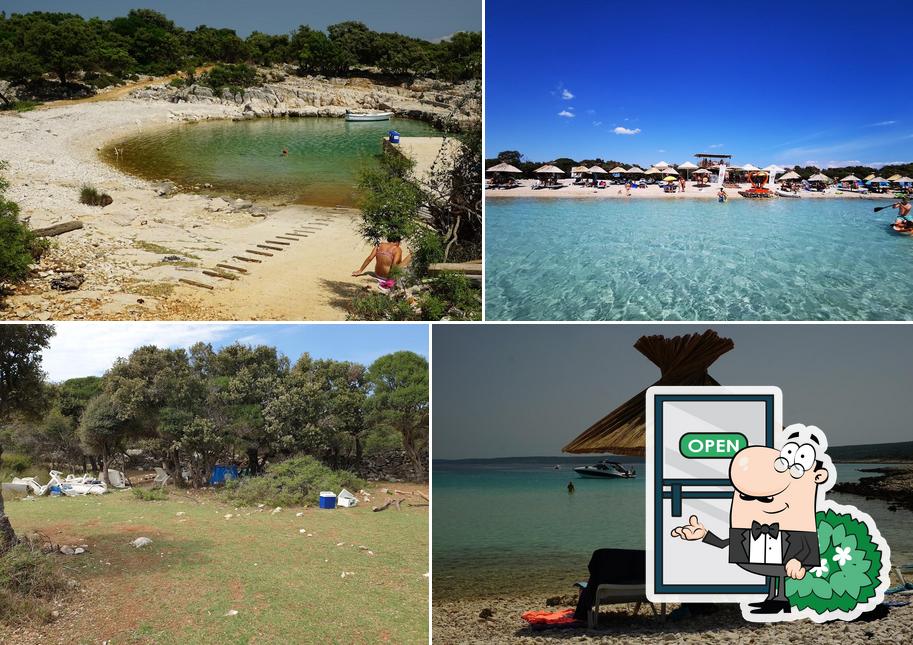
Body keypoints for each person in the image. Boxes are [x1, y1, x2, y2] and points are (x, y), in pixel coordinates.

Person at [671, 427, 828, 615]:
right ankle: (773, 599)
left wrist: (798, 561)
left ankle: (781, 599)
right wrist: (704, 535)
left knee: (778, 572)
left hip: (786, 560)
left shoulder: (797, 529)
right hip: (765, 558)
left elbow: (808, 548)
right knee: (772, 573)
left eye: (767, 498)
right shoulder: (749, 530)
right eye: (746, 497)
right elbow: (724, 544)